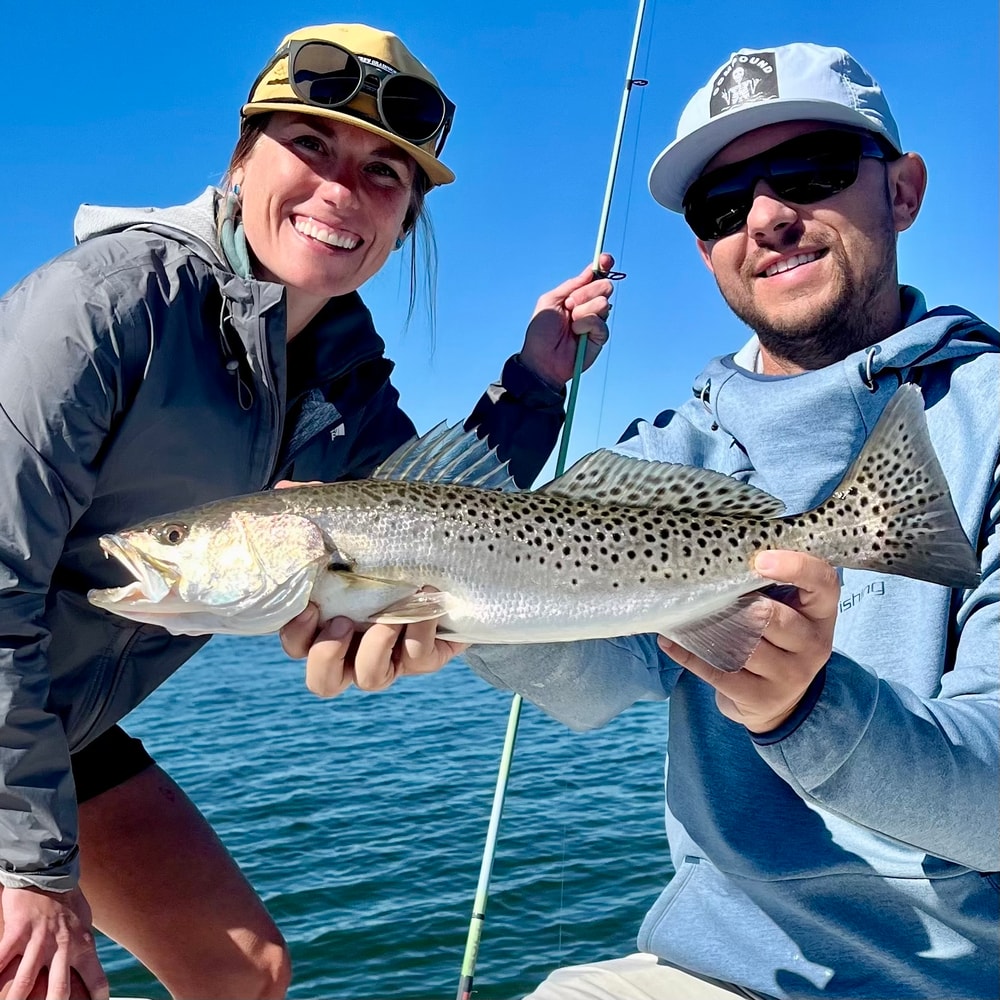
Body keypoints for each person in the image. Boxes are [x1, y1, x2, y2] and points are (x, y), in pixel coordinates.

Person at [289, 42, 999, 999]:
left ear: (903, 191)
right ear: (705, 247)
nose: (768, 219)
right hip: (714, 968)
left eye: (814, 173)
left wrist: (807, 708)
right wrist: (466, 627)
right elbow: (596, 680)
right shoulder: (665, 454)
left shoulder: (987, 423)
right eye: (722, 205)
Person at [0, 21, 614, 1000]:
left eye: (384, 173)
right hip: (10, 705)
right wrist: (31, 866)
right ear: (243, 160)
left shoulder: (340, 375)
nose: (340, 189)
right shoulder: (104, 307)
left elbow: (445, 520)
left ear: (404, 219)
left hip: (63, 724)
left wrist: (537, 378)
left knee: (244, 972)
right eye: (311, 145)